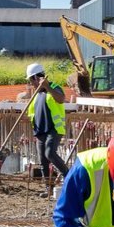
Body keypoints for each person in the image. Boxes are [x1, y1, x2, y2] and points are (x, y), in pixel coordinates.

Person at [25, 62, 70, 197]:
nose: (31, 84)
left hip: (54, 129)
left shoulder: (54, 87)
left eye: (30, 80)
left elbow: (61, 99)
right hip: (40, 131)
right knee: (43, 161)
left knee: (50, 153)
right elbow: (33, 112)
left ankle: (68, 176)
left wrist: (47, 86)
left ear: (35, 78)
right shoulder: (36, 94)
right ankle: (48, 189)